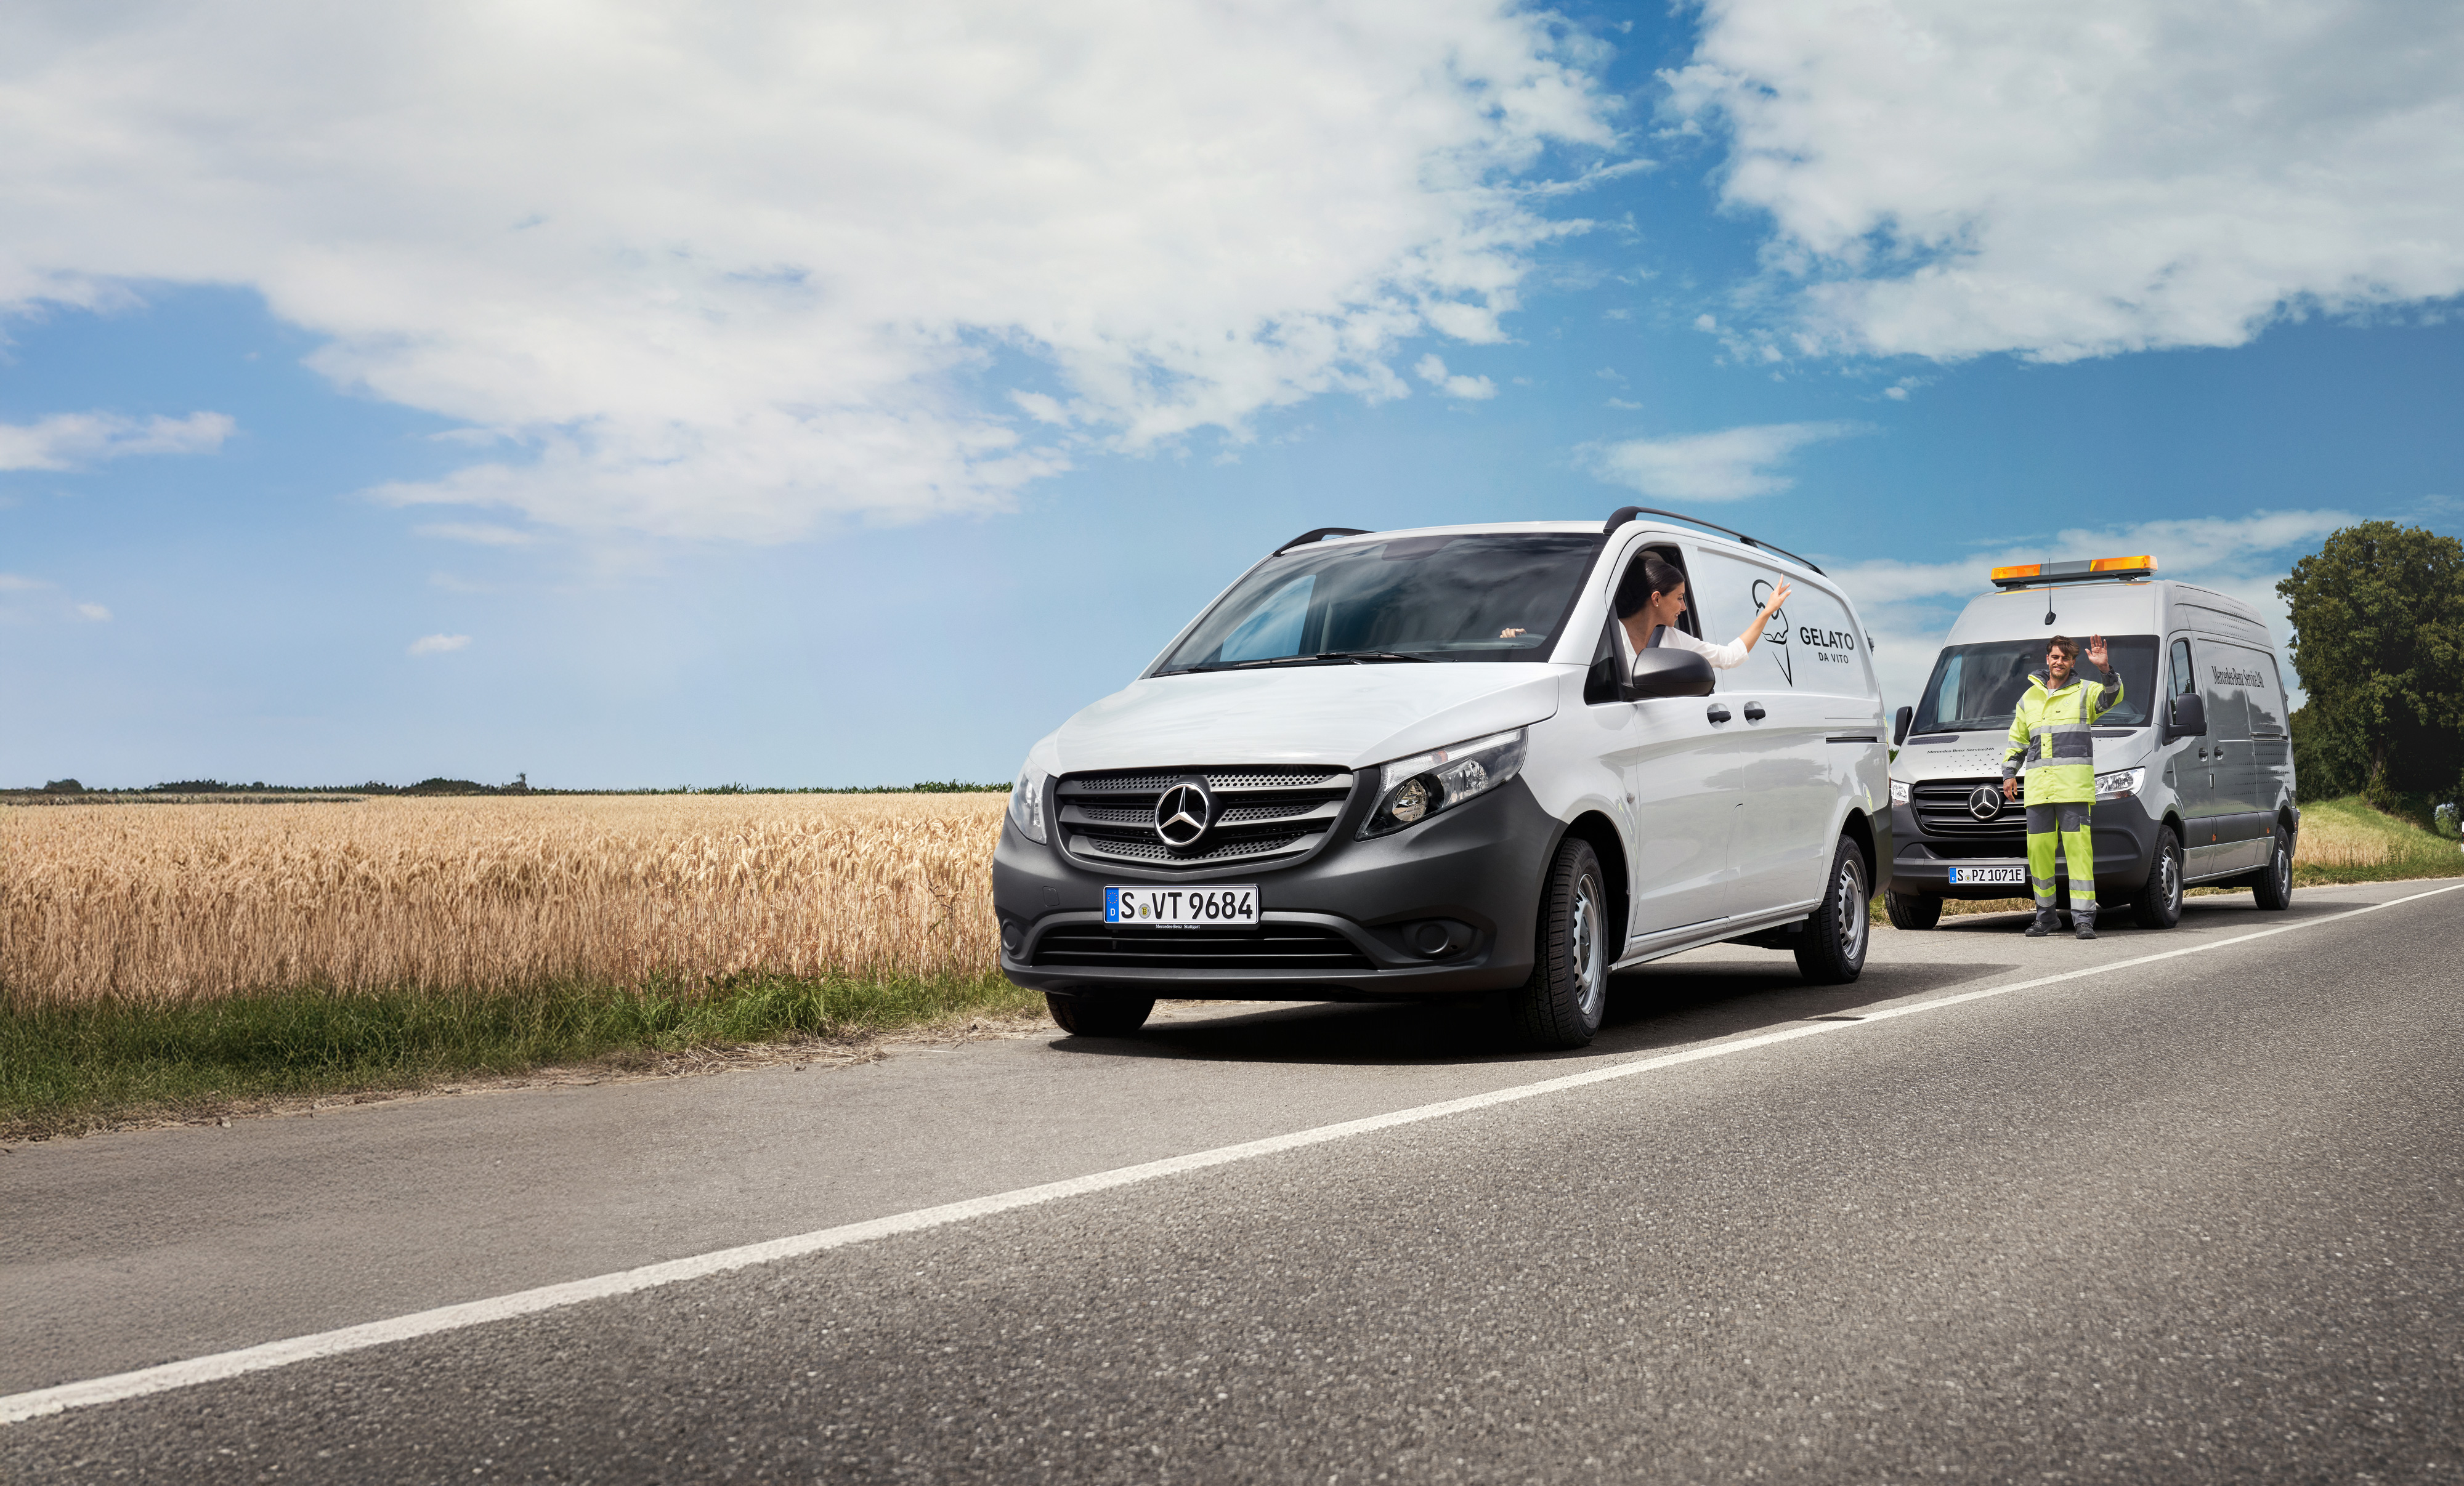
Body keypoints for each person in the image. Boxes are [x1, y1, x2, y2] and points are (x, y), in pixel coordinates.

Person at [2000, 634, 2121, 939]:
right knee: (2038, 853)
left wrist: (2106, 670)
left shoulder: (2086, 691)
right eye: (2055, 657)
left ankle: (2083, 919)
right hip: (2040, 790)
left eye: (2065, 658)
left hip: (2073, 789)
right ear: (2048, 659)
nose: (2059, 662)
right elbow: (2018, 739)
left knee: (2079, 853)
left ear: (2072, 662)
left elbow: (2112, 697)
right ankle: (2046, 916)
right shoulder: (2029, 698)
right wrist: (2009, 773)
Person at [1613, 552, 1789, 671]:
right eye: (1679, 598)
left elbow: (1730, 657)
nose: (1684, 607)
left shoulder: (1673, 638)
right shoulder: (1610, 633)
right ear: (1657, 599)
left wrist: (1767, 612)